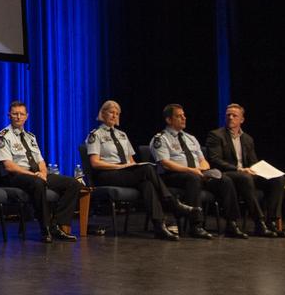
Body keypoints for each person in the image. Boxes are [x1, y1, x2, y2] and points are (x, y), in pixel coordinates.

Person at [84, 100, 199, 241]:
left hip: (124, 173)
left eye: (117, 113)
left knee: (147, 184)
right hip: (106, 174)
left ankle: (159, 226)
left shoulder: (122, 135)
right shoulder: (95, 135)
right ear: (102, 114)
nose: (114, 116)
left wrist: (131, 167)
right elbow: (95, 163)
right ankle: (172, 203)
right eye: (111, 112)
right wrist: (119, 167)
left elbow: (131, 161)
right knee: (147, 169)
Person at [151, 104, 248, 239]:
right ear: (168, 120)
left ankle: (231, 224)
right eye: (179, 116)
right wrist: (192, 170)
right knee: (193, 178)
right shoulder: (161, 138)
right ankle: (196, 225)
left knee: (225, 179)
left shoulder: (190, 138)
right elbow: (165, 163)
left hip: (197, 174)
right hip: (173, 176)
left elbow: (203, 160)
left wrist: (203, 170)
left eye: (184, 115)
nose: (184, 118)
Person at [0, 100, 83, 243]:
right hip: (16, 176)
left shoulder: (31, 137)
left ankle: (57, 225)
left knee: (73, 183)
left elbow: (40, 160)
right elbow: (9, 166)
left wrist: (43, 173)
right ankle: (45, 228)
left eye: (21, 114)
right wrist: (34, 175)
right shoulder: (2, 137)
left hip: (36, 174)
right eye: (15, 114)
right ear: (9, 115)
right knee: (38, 183)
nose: (18, 117)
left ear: (26, 116)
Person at [204, 103, 285, 237]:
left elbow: (253, 162)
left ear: (241, 120)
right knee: (245, 177)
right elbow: (215, 160)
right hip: (227, 174)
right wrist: (239, 169)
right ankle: (259, 222)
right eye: (228, 115)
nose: (230, 118)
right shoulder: (216, 135)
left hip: (246, 174)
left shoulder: (248, 139)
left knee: (277, 179)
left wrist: (259, 170)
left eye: (234, 115)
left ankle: (271, 222)